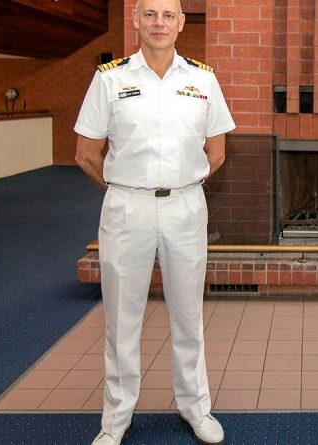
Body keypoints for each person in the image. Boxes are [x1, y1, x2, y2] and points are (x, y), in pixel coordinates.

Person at [73, 0, 235, 444]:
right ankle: (116, 419)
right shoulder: (110, 79)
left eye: (168, 15)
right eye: (150, 14)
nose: (159, 23)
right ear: (136, 21)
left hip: (185, 206)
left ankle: (195, 408)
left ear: (182, 24)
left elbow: (217, 152)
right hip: (127, 208)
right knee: (122, 319)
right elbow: (86, 154)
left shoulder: (203, 79)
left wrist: (177, 183)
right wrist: (126, 192)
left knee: (188, 314)